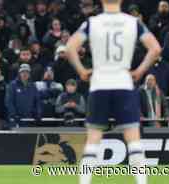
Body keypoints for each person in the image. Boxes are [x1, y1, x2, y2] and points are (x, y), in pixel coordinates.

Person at [66, 0, 161, 184]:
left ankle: (84, 182)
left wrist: (82, 71)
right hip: (123, 82)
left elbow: (70, 48)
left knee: (93, 140)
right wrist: (140, 71)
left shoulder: (92, 23)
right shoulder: (133, 22)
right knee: (133, 141)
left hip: (99, 82)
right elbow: (155, 49)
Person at [5, 64, 41, 128]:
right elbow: (9, 101)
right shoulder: (12, 85)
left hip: (29, 119)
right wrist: (14, 115)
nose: (25, 74)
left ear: (29, 74)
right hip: (16, 120)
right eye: (23, 72)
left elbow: (37, 101)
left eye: (27, 72)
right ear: (19, 73)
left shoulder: (33, 86)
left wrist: (37, 113)